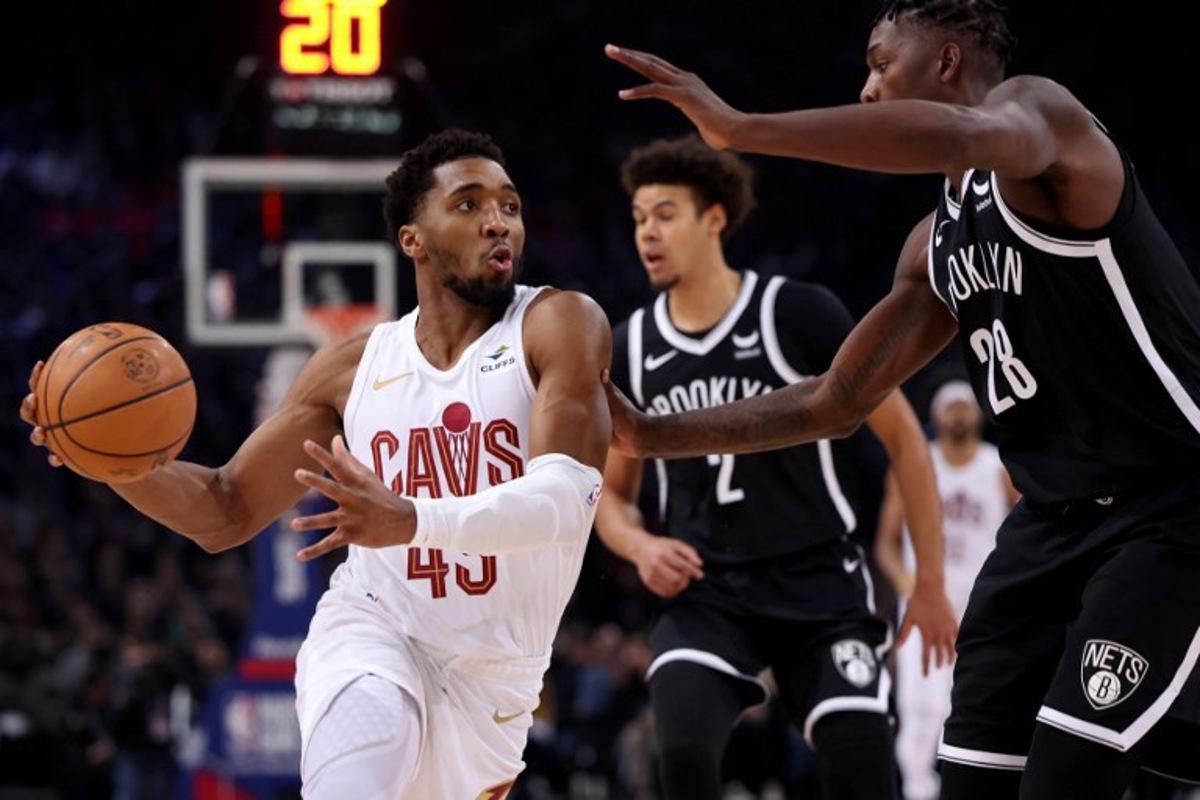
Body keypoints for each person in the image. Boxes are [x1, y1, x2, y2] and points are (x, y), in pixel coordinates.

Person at [603, 0, 1200, 796]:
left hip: (1166, 505)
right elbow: (833, 402)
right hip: (1045, 531)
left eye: (883, 64)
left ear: (948, 62)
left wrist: (741, 129)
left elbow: (962, 136)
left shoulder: (1044, 118)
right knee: (970, 781)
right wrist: (647, 434)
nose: (867, 88)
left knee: (1067, 774)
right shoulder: (934, 244)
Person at [21, 129, 612, 800]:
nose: (498, 221)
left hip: (497, 678)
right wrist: (110, 461)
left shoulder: (557, 323)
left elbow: (565, 505)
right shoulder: (351, 369)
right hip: (374, 628)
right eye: (470, 204)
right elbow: (225, 508)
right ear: (412, 237)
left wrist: (412, 518)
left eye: (510, 204)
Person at [595, 136, 955, 800]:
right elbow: (611, 498)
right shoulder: (631, 346)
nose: (647, 231)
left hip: (818, 583)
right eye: (639, 217)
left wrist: (929, 583)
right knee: (680, 754)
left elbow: (906, 442)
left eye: (665, 213)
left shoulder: (796, 314)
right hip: (708, 590)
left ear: (715, 219)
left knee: (862, 768)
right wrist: (641, 545)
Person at [875, 380, 1018, 799]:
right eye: (950, 407)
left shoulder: (999, 466)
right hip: (927, 597)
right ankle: (919, 789)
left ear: (979, 415)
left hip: (982, 598)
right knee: (922, 707)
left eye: (965, 407)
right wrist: (906, 583)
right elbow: (886, 542)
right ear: (937, 416)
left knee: (985, 703)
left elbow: (1033, 526)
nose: (958, 414)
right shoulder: (918, 463)